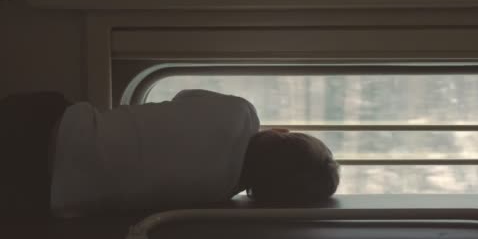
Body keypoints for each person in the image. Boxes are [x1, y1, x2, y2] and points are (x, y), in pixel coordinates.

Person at [1, 90, 339, 218]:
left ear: (280, 135)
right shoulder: (214, 197)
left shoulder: (241, 112)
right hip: (42, 192)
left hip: (51, 124)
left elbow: (182, 98)